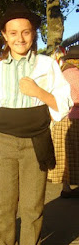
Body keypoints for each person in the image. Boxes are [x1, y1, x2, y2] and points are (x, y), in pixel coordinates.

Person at [0, 3, 73, 245]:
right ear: (4, 35)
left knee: (33, 207)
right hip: (3, 141)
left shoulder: (46, 65)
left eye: (25, 32)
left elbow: (64, 102)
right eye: (13, 33)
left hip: (36, 139)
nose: (20, 38)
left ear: (34, 34)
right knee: (5, 207)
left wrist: (39, 92)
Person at [48, 45, 79, 198]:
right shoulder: (74, 73)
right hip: (74, 118)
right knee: (74, 154)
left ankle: (66, 187)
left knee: (65, 156)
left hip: (63, 118)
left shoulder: (62, 73)